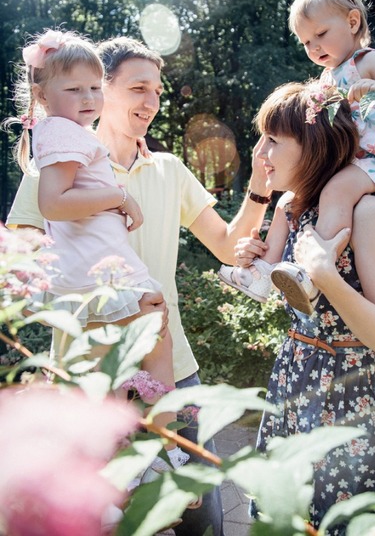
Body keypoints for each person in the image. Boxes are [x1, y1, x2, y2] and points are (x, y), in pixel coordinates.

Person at [6, 35, 272, 536]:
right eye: (137, 88)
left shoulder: (169, 169)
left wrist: (260, 187)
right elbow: (21, 259)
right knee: (101, 515)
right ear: (99, 88)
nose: (151, 102)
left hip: (172, 367)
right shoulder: (58, 164)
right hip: (90, 373)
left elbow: (226, 244)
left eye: (157, 91)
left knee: (203, 517)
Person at [242, 80, 375, 534]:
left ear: (313, 145)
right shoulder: (293, 208)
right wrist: (254, 264)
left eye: (273, 140)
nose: (260, 152)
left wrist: (327, 277)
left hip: (360, 401)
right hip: (296, 381)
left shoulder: (367, 213)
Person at [6, 28, 190, 474]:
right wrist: (120, 198)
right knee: (155, 333)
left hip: (94, 270)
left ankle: (132, 458)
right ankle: (166, 449)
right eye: (74, 90)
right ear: (42, 95)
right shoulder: (64, 135)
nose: (88, 98)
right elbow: (53, 204)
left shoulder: (63, 134)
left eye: (93, 87)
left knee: (116, 369)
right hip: (102, 271)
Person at [219, 0, 375, 315]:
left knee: (337, 191)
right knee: (288, 201)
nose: (314, 47)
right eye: (306, 42)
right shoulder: (327, 78)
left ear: (352, 22)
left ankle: (311, 271)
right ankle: (261, 274)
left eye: (321, 34)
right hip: (346, 162)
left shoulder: (366, 61)